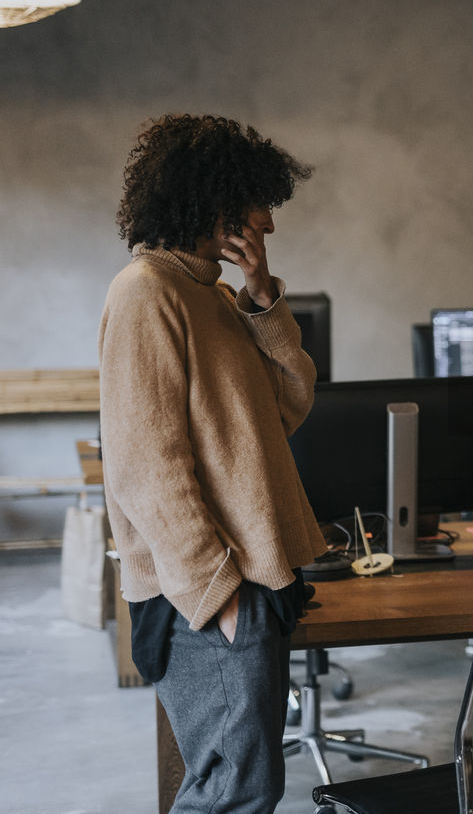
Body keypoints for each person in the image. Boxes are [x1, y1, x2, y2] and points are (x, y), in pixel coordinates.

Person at [100, 114, 327, 813]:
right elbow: (147, 469)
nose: (268, 220)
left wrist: (264, 300)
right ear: (213, 202)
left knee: (245, 783)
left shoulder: (215, 295)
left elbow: (289, 402)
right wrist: (219, 596)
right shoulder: (146, 292)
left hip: (249, 576)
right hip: (202, 593)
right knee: (235, 788)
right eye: (256, 201)